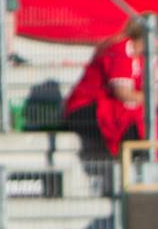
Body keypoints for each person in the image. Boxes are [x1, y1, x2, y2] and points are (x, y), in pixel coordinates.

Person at [63, 15, 146, 155]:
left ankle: (132, 166)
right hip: (84, 109)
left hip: (107, 107)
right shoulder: (122, 48)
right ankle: (128, 168)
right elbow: (123, 93)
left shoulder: (145, 57)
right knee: (133, 122)